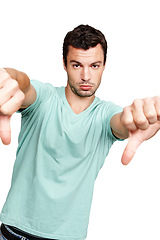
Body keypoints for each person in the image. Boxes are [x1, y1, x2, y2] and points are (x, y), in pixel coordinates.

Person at [0, 24, 160, 240]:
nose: (86, 76)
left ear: (104, 66)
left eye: (94, 65)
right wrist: (8, 77)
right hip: (15, 232)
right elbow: (24, 86)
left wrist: (138, 119)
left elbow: (121, 123)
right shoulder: (45, 98)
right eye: (77, 65)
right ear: (64, 64)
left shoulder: (106, 114)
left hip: (69, 236)